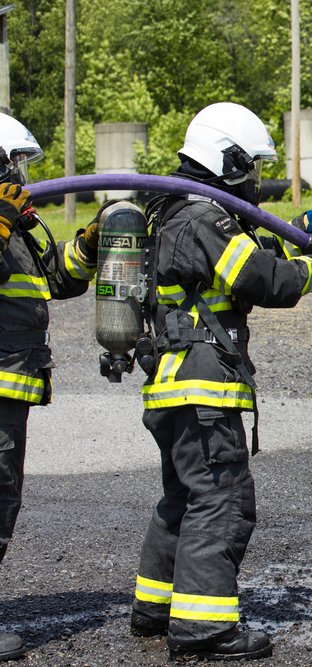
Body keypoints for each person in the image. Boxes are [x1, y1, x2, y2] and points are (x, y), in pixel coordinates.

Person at [128, 102, 312, 661]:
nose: (253, 177)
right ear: (225, 158)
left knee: (184, 497)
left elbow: (239, 263)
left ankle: (157, 608)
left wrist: (295, 232)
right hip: (203, 384)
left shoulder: (177, 211)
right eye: (248, 165)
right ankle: (204, 628)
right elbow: (256, 277)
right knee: (223, 499)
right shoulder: (201, 218)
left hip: (174, 384)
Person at [0, 114, 99, 661]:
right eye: (13, 162)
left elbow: (53, 277)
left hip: (12, 388)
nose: (20, 174)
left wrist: (88, 244)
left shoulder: (14, 224)